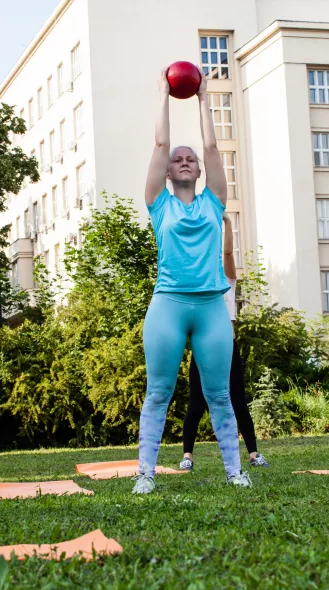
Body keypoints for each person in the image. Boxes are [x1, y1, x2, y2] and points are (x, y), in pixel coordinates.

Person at [133, 68, 251, 494]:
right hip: (168, 305)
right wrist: (165, 92)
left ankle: (236, 472)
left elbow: (213, 146)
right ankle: (145, 474)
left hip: (210, 308)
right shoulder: (158, 203)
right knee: (158, 392)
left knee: (220, 395)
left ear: (199, 171)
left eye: (191, 159)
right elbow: (161, 143)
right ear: (167, 172)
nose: (184, 159)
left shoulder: (213, 201)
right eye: (177, 160)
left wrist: (203, 96)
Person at [179, 215, 268, 471]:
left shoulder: (227, 284)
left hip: (227, 351)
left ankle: (253, 454)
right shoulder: (195, 291)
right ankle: (187, 456)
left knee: (239, 402)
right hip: (203, 353)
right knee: (196, 405)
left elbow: (228, 253)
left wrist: (227, 224)